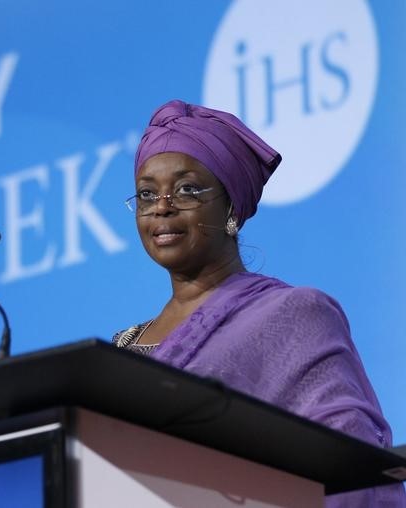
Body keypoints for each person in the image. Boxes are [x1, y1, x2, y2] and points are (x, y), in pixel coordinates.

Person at [113, 99, 405, 506]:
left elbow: (349, 466)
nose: (162, 206)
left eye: (187, 189)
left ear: (231, 206)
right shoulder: (123, 346)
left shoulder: (294, 315)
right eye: (147, 194)